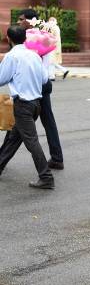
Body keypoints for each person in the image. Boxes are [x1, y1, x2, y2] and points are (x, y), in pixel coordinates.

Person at [0, 25, 54, 189]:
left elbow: (1, 79)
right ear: (25, 38)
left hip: (22, 105)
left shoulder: (12, 57)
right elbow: (45, 79)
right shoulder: (35, 55)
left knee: (31, 142)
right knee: (14, 138)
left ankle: (46, 177)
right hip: (35, 104)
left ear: (8, 39)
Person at [14, 9, 64, 169]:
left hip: (38, 82)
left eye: (21, 19)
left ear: (29, 20)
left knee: (22, 122)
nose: (18, 22)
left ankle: (3, 156)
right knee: (46, 121)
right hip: (43, 82)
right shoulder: (42, 34)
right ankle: (57, 157)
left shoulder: (35, 37)